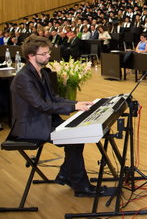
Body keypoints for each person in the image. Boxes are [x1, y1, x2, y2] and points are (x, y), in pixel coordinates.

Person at [9, 36, 103, 197]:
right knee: (75, 138)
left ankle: (67, 175)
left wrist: (78, 103)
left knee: (77, 137)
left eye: (48, 53)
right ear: (31, 56)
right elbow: (42, 105)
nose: (48, 56)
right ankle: (80, 185)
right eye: (44, 54)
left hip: (44, 120)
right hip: (30, 126)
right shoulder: (23, 78)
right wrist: (73, 107)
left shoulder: (42, 73)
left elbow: (54, 98)